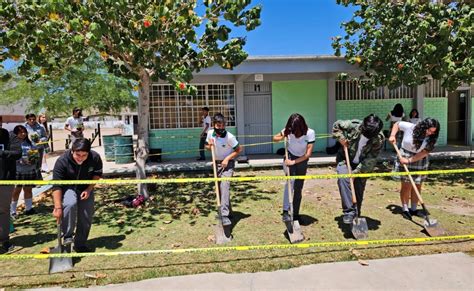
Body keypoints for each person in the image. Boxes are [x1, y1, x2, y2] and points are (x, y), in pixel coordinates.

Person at [52, 138, 103, 252]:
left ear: (88, 153)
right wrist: (58, 207)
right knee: (70, 203)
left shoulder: (95, 157)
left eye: (84, 155)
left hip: (86, 188)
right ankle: (68, 236)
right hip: (68, 188)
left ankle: (80, 244)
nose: (80, 158)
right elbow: (56, 185)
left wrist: (89, 189)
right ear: (72, 151)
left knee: (86, 215)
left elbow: (97, 174)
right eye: (77, 154)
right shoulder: (62, 161)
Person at [332, 114, 384, 224]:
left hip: (363, 165)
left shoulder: (378, 139)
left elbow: (371, 159)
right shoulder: (353, 126)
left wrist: (356, 172)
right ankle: (349, 212)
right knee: (343, 179)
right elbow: (337, 125)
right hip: (345, 159)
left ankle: (356, 215)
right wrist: (341, 138)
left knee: (358, 189)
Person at [389, 118, 440, 220]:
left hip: (419, 159)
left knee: (417, 184)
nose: (430, 133)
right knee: (406, 185)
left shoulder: (431, 138)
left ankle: (413, 209)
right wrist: (392, 135)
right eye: (429, 130)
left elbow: (424, 152)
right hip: (404, 155)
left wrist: (409, 161)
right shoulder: (411, 127)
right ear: (423, 127)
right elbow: (397, 124)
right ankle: (405, 209)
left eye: (433, 132)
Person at [272, 113, 315, 222]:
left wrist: (294, 162)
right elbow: (274, 138)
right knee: (290, 182)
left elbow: (308, 154)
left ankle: (295, 214)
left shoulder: (310, 133)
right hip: (289, 156)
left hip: (302, 160)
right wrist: (282, 136)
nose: (294, 132)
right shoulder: (289, 130)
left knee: (298, 188)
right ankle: (286, 212)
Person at [205, 113, 242, 226]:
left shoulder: (229, 137)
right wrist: (209, 146)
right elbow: (207, 146)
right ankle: (229, 211)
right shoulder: (210, 133)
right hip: (216, 164)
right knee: (220, 189)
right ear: (214, 125)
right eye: (218, 126)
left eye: (223, 126)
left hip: (228, 164)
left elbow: (238, 149)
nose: (221, 128)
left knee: (225, 186)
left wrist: (227, 159)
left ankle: (224, 215)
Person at [0, 116, 22, 254]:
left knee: (3, 211)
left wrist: (2, 153)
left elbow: (17, 153)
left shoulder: (10, 136)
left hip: (6, 179)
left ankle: (4, 240)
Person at [10, 125, 40, 217]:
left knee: (28, 190)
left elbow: (36, 154)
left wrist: (34, 159)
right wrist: (21, 160)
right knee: (16, 191)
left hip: (29, 170)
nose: (23, 134)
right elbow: (11, 156)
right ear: (16, 134)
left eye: (24, 132)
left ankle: (29, 209)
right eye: (20, 132)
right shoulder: (13, 144)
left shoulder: (30, 143)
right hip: (18, 171)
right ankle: (12, 211)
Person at [24, 113, 48, 178]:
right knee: (33, 165)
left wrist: (41, 140)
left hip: (39, 148)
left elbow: (45, 137)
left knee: (38, 165)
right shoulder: (23, 127)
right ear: (26, 119)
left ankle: (37, 179)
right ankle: (36, 180)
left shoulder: (40, 126)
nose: (32, 121)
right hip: (30, 148)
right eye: (30, 119)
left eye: (33, 119)